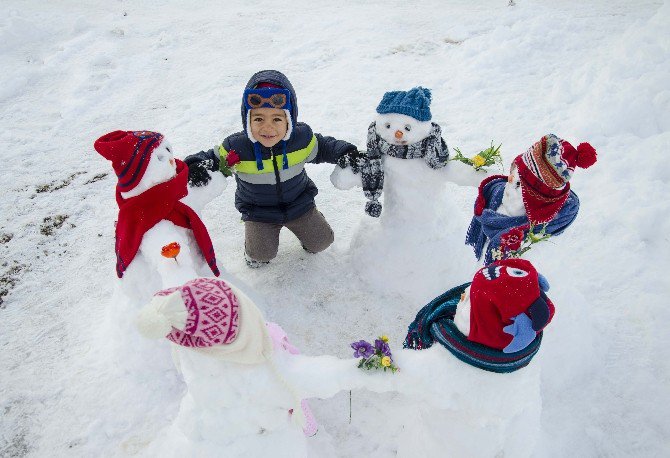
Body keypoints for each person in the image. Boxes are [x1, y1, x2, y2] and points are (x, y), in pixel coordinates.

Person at [185, 70, 360, 267]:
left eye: (277, 119)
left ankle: (313, 225)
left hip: (299, 204)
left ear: (289, 120)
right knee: (261, 254)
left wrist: (347, 153)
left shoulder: (301, 140)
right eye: (259, 119)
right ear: (247, 120)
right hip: (258, 212)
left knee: (322, 242)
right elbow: (210, 158)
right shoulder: (238, 147)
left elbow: (327, 146)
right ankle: (252, 249)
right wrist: (195, 166)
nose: (268, 128)